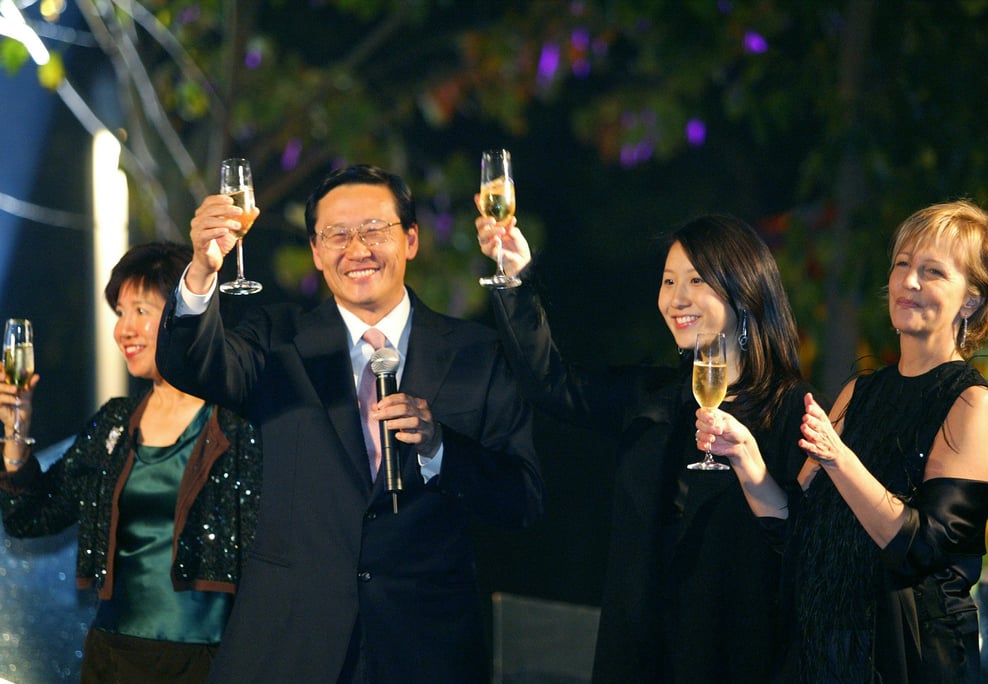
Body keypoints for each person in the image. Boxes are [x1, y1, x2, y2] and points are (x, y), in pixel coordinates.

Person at [156, 163, 544, 682]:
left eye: (374, 230)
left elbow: (523, 500)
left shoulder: (478, 352)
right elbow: (190, 364)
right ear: (316, 252)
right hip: (290, 645)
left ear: (410, 240)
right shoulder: (275, 339)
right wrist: (202, 272)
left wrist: (438, 448)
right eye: (336, 234)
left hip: (425, 649)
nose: (356, 249)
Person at [475, 210, 824, 682]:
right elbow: (550, 386)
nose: (677, 299)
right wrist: (515, 281)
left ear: (745, 290)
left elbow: (811, 550)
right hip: (642, 655)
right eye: (667, 281)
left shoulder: (790, 410)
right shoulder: (654, 399)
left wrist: (751, 467)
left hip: (739, 657)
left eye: (697, 280)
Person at [696, 199, 988, 682]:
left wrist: (838, 458)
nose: (909, 282)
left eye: (932, 271)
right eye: (902, 266)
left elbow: (920, 549)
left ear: (970, 299)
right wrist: (746, 456)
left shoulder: (972, 403)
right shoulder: (860, 392)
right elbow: (796, 528)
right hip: (821, 650)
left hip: (904, 656)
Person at [0, 241, 261, 683]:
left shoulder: (237, 424)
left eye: (141, 310)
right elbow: (30, 517)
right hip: (114, 657)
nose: (124, 329)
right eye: (120, 313)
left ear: (187, 314)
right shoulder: (116, 423)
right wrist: (14, 430)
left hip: (212, 663)